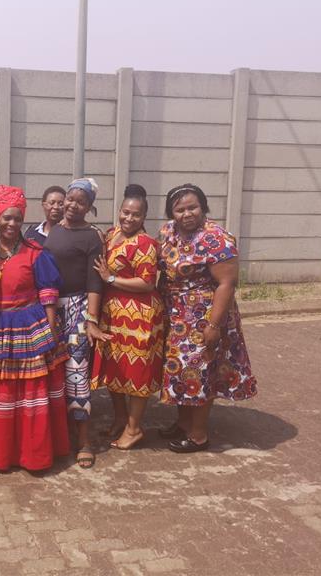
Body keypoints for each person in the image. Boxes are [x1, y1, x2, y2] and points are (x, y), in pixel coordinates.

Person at [158, 183, 256, 453]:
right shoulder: (167, 231)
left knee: (200, 371)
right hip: (175, 315)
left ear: (203, 207)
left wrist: (214, 325)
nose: (187, 214)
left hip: (204, 316)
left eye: (193, 207)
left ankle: (198, 434)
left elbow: (227, 283)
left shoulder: (216, 238)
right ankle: (183, 423)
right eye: (180, 210)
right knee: (179, 369)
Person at [0, 184, 70, 472]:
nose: (12, 223)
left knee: (32, 393)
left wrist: (52, 330)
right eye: (7, 218)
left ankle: (34, 456)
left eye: (17, 218)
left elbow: (48, 294)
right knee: (2, 391)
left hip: (31, 329)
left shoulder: (35, 253)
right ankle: (2, 455)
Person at [92, 184, 165, 450]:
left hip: (139, 315)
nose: (129, 218)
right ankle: (121, 418)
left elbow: (147, 283)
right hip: (113, 314)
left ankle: (134, 429)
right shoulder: (111, 234)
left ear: (144, 217)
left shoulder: (145, 244)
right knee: (116, 368)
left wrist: (110, 278)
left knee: (137, 371)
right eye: (125, 212)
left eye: (136, 214)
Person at [44, 177, 108, 469]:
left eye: (81, 202)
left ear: (89, 207)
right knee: (51, 371)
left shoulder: (92, 237)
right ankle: (57, 434)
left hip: (78, 310)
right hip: (49, 308)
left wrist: (91, 321)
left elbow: (95, 282)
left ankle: (84, 441)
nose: (72, 205)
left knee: (77, 372)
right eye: (70, 199)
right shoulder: (53, 230)